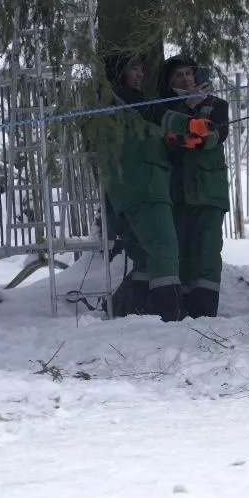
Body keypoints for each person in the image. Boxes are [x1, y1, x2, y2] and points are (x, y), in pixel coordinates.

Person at [98, 51, 185, 321]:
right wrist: (190, 120)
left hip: (128, 191)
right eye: (134, 69)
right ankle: (169, 312)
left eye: (140, 69)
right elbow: (156, 113)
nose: (140, 74)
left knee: (144, 253)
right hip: (146, 187)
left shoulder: (110, 105)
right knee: (163, 248)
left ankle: (135, 307)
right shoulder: (128, 102)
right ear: (120, 74)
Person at [157, 55, 230, 319]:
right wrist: (184, 117)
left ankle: (206, 308)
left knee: (207, 251)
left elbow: (219, 132)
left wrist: (201, 139)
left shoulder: (216, 104)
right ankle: (183, 306)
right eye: (179, 76)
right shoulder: (167, 108)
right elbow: (167, 140)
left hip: (210, 190)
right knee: (183, 250)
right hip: (178, 193)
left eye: (189, 73)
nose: (185, 79)